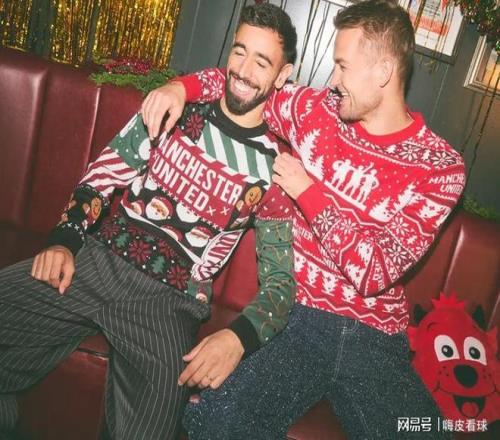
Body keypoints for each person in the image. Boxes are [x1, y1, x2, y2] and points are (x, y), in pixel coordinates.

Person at [140, 0, 466, 438]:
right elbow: (245, 81)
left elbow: (374, 272)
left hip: (375, 339)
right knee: (216, 421)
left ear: (384, 71)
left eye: (342, 66)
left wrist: (307, 191)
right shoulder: (316, 111)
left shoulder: (439, 167)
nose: (332, 79)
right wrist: (180, 88)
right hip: (300, 319)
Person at [0, 4, 297, 439]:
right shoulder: (173, 107)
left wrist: (238, 338)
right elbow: (102, 177)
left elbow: (281, 285)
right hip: (97, 261)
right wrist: (64, 240)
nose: (243, 70)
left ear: (283, 74)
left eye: (262, 61)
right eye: (239, 51)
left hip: (169, 303)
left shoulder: (275, 169)